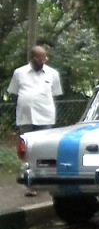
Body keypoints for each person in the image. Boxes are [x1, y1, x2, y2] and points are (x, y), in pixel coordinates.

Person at [7, 46, 63, 197]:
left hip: (45, 117)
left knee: (44, 150)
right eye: (42, 58)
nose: (45, 60)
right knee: (27, 150)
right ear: (33, 58)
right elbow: (14, 93)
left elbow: (56, 94)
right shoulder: (19, 73)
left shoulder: (52, 73)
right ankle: (30, 183)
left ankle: (45, 181)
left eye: (46, 57)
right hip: (25, 117)